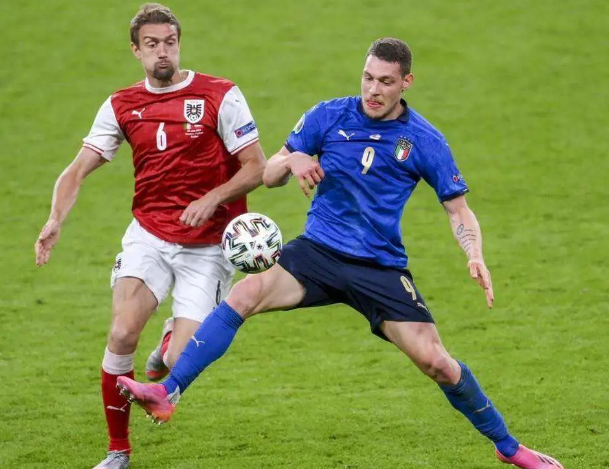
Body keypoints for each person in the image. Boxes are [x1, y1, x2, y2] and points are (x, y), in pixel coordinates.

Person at [117, 38, 565, 469]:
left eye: (385, 82)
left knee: (438, 363)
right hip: (318, 252)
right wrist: (293, 161)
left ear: (406, 82)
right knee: (245, 294)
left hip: (379, 267)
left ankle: (509, 447)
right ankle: (169, 392)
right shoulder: (329, 115)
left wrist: (474, 253)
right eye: (368, 78)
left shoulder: (424, 139)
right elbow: (269, 173)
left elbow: (458, 210)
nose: (373, 90)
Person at [34, 4, 266, 468]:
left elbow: (256, 166)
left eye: (170, 42)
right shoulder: (121, 104)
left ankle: (166, 345)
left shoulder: (220, 94)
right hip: (150, 235)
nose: (163, 52)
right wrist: (56, 218)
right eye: (152, 44)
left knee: (180, 361)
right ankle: (117, 451)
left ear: (179, 44)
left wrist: (213, 197)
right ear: (136, 51)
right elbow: (77, 169)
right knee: (121, 333)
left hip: (208, 245)